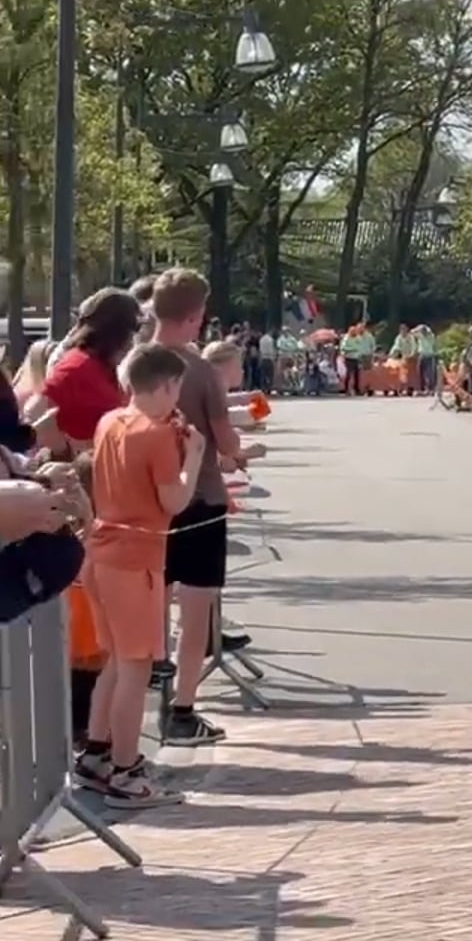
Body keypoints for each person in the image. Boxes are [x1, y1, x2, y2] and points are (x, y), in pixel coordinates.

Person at [72, 343, 203, 807]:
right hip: (136, 559)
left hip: (102, 550)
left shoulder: (112, 420)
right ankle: (126, 773)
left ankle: (97, 753)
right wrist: (194, 456)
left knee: (114, 660)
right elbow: (174, 501)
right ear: (167, 385)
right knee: (136, 667)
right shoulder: (157, 434)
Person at [149, 269, 244, 747]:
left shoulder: (134, 363)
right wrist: (238, 447)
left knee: (152, 603)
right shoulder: (201, 370)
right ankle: (183, 709)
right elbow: (225, 441)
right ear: (194, 316)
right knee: (195, 609)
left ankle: (146, 703)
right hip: (200, 499)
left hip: (148, 501)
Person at [42, 288, 143, 451]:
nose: (132, 345)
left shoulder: (103, 368)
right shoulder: (77, 367)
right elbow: (35, 413)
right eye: (130, 335)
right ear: (113, 333)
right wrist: (66, 453)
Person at [391, 323, 419, 397]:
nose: (403, 331)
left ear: (407, 330)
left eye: (404, 329)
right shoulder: (399, 338)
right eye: (401, 330)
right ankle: (398, 388)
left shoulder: (410, 337)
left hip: (411, 358)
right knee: (399, 372)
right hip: (403, 358)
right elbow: (396, 346)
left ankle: (410, 388)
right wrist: (392, 354)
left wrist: (411, 355)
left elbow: (414, 347)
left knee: (410, 375)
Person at [414, 325, 438, 395]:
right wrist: (419, 328)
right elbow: (412, 332)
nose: (423, 332)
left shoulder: (431, 336)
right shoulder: (420, 336)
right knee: (420, 373)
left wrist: (427, 329)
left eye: (424, 331)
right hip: (421, 355)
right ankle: (422, 389)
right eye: (422, 331)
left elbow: (433, 341)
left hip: (429, 356)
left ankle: (431, 389)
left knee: (429, 374)